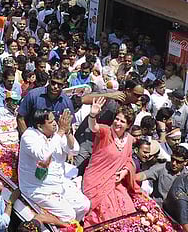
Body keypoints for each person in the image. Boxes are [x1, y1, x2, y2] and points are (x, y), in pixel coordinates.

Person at [18, 109, 90, 222]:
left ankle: (74, 227)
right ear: (40, 127)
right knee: (69, 215)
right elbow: (43, 155)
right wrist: (60, 131)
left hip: (58, 182)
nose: (55, 123)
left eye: (54, 120)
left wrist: (67, 132)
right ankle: (49, 220)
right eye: (51, 122)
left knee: (84, 205)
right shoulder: (29, 137)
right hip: (37, 188)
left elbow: (74, 150)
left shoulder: (55, 134)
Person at [82, 97, 140, 227]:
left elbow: (129, 160)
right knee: (106, 215)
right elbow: (94, 127)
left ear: (128, 125)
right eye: (117, 119)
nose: (118, 123)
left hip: (114, 182)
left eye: (122, 121)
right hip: (96, 180)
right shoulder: (106, 131)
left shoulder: (129, 140)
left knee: (128, 210)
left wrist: (125, 171)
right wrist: (92, 115)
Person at [17, 69, 74, 135]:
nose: (55, 86)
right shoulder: (33, 95)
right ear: (49, 80)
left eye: (59, 84)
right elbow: (20, 118)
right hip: (33, 136)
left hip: (55, 140)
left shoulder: (67, 102)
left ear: (64, 84)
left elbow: (69, 126)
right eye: (53, 83)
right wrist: (27, 138)